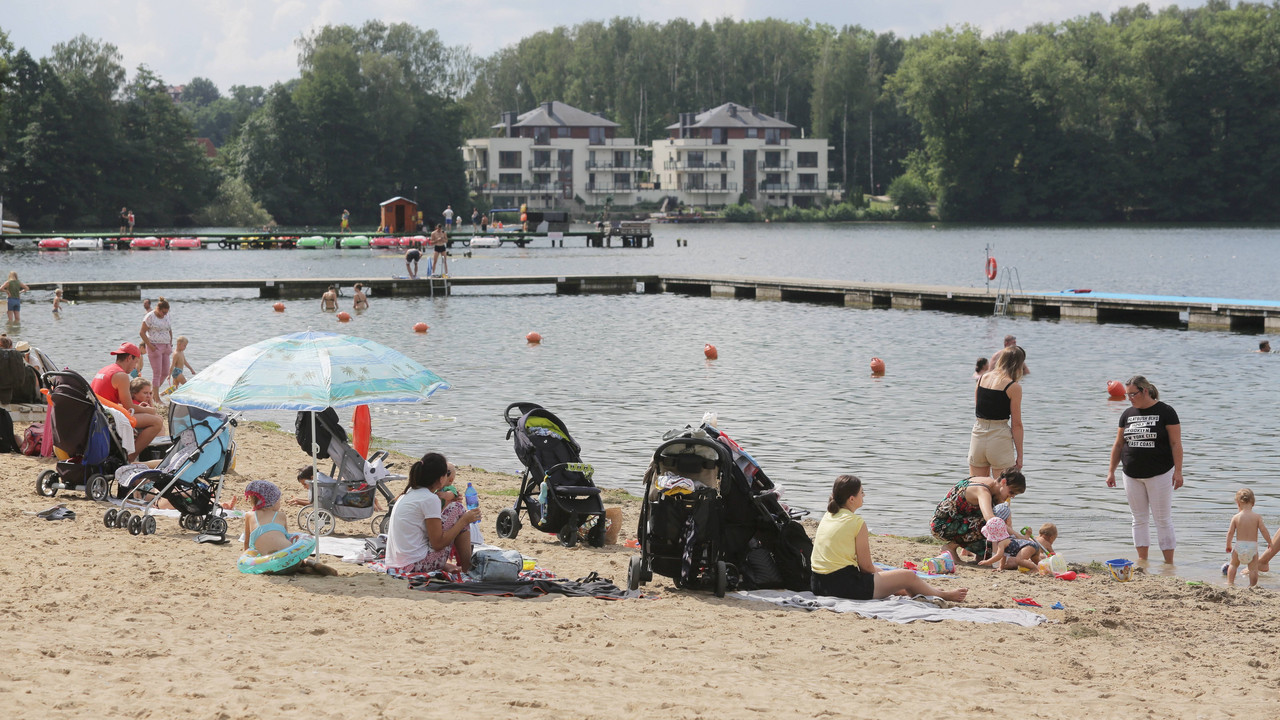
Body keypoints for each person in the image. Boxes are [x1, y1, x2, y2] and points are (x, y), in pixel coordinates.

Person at [811, 475, 968, 602]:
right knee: (908, 575)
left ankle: (923, 590)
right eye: (861, 492)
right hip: (843, 587)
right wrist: (884, 571)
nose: (864, 496)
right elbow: (866, 568)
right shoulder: (856, 522)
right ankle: (943, 595)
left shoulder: (828, 515)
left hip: (818, 584)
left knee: (897, 581)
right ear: (851, 499)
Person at [1106, 375, 1183, 563]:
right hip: (1131, 474)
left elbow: (1175, 443)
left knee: (1162, 519)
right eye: (1127, 395)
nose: (1129, 398)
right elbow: (1118, 445)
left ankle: (1169, 564)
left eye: (1133, 394)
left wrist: (1178, 471)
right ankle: (1142, 561)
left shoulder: (1166, 411)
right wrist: (1111, 471)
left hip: (1160, 473)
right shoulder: (1127, 414)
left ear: (1145, 391)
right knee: (1138, 519)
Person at [384, 453, 480, 574]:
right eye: (447, 474)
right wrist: (464, 520)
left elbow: (430, 527)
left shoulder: (409, 493)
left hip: (397, 564)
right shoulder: (430, 498)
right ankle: (467, 568)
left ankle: (461, 566)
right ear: (441, 479)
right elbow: (438, 543)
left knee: (454, 509)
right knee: (458, 509)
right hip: (414, 565)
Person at [242, 480, 337, 575]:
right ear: (272, 501)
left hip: (270, 566)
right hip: (291, 562)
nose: (279, 503)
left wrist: (247, 558)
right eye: (278, 500)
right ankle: (311, 563)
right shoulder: (281, 515)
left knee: (277, 560)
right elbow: (286, 537)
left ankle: (303, 569)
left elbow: (247, 542)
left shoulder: (249, 515)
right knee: (296, 558)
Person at [931, 469, 1027, 560]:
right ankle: (950, 548)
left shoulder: (992, 486)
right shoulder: (983, 491)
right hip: (942, 526)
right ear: (1003, 482)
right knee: (990, 524)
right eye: (1011, 492)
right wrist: (1019, 537)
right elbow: (991, 520)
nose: (1012, 496)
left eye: (1015, 495)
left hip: (957, 520)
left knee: (998, 522)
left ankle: (981, 555)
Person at [90, 342, 163, 461]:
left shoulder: (105, 369)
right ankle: (129, 458)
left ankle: (130, 452)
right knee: (157, 422)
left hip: (96, 414)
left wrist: (144, 409)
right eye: (136, 362)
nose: (135, 367)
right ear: (129, 358)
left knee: (154, 417)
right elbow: (128, 406)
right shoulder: (121, 375)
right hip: (107, 417)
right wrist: (148, 410)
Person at [968, 344, 1025, 478]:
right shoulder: (1014, 387)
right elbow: (1017, 425)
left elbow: (978, 408)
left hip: (978, 434)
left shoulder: (982, 378)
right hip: (999, 438)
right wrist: (1020, 456)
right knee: (1002, 492)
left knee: (978, 490)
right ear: (1019, 364)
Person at [1225, 488, 1270, 587]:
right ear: (1253, 503)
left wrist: (1228, 545)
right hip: (1252, 548)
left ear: (1238, 503)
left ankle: (1230, 583)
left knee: (1233, 565)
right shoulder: (1257, 517)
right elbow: (1264, 530)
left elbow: (1230, 532)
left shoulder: (1236, 517)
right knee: (1253, 569)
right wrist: (1269, 542)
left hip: (1239, 546)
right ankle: (1252, 586)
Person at [140, 297, 174, 395]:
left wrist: (170, 343)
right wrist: (150, 346)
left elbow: (169, 329)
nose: (165, 314)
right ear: (158, 309)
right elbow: (142, 332)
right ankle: (156, 398)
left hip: (166, 347)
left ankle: (152, 394)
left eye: (167, 312)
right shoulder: (150, 317)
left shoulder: (167, 316)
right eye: (163, 312)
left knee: (165, 373)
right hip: (155, 347)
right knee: (157, 373)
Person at [991, 522, 1058, 572]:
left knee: (1015, 560)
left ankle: (1008, 564)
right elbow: (1052, 555)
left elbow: (1024, 542)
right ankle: (1035, 566)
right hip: (1033, 554)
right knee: (1042, 556)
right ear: (1052, 538)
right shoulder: (1047, 544)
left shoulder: (1034, 538)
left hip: (1024, 553)